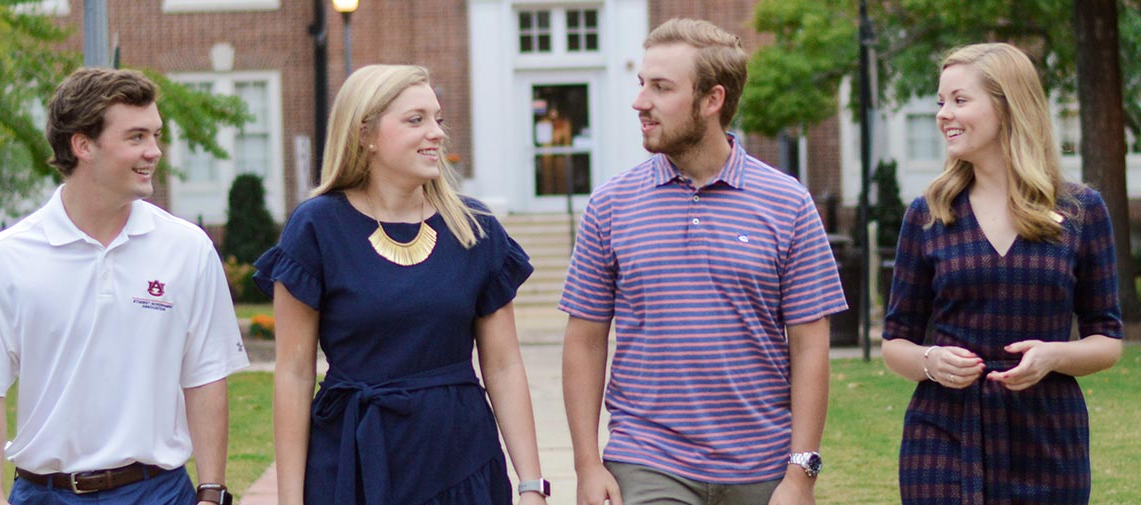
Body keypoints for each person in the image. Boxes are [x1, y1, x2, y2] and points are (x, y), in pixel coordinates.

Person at [560, 18, 847, 505]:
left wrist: (802, 475)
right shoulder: (609, 205)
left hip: (763, 466)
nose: (640, 102)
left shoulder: (788, 204)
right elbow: (585, 341)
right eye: (641, 84)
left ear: (712, 100)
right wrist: (587, 465)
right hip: (647, 460)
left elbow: (810, 346)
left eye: (661, 87)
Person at [252, 64, 549, 505]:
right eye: (416, 120)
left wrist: (531, 485)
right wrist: (290, 500)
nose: (436, 133)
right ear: (365, 134)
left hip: (460, 459)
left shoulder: (474, 226)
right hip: (353, 460)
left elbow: (504, 366)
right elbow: (294, 373)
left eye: (438, 119)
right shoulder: (316, 227)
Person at [0, 67, 250, 505]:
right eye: (136, 137)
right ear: (83, 144)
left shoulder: (188, 250)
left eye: (155, 135)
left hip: (160, 492)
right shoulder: (6, 258)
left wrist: (211, 491)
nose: (155, 151)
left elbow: (205, 376)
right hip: (44, 494)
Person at [882, 42, 1124, 504]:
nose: (942, 115)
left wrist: (1053, 356)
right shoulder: (928, 214)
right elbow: (895, 342)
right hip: (941, 439)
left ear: (1007, 105)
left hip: (1049, 440)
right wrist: (931, 362)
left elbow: (1107, 341)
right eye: (940, 102)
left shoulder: (1080, 212)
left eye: (959, 100)